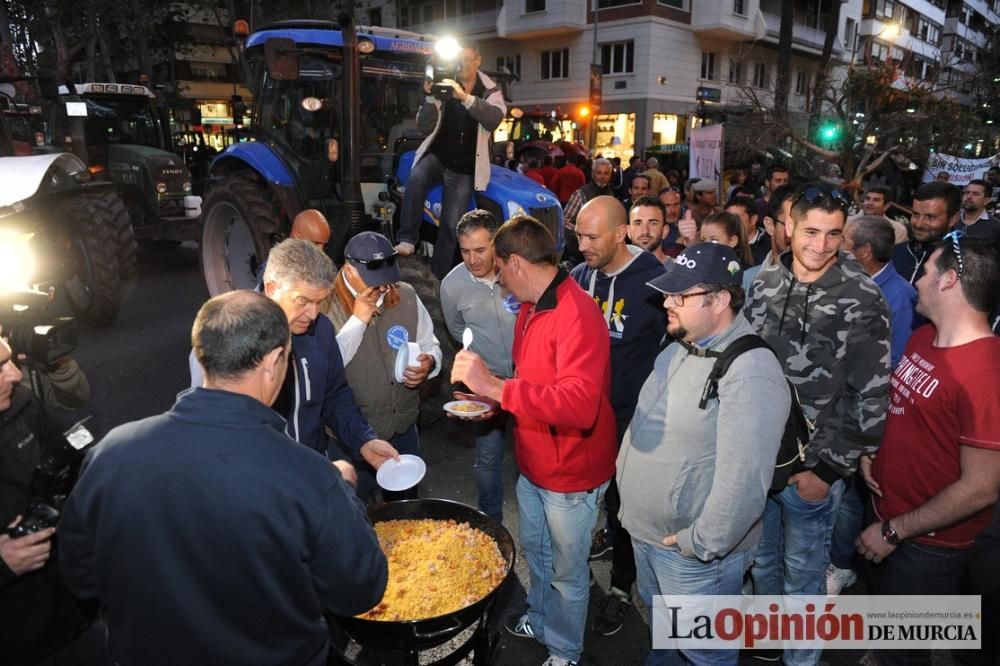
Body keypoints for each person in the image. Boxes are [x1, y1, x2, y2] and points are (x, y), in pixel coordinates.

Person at [59, 291, 389, 666]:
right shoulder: (307, 476)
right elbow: (360, 590)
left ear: (202, 356)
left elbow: (80, 576)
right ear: (275, 360)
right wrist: (344, 491)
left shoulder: (111, 454)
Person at [451, 216, 617, 666]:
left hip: (571, 473)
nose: (499, 281)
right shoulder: (530, 306)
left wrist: (498, 390)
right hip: (535, 460)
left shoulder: (577, 313)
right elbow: (533, 383)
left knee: (567, 572)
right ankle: (544, 622)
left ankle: (565, 650)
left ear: (518, 263)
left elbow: (580, 406)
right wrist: (496, 401)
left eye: (500, 270)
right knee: (538, 555)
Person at [618, 243, 790, 666]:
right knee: (667, 639)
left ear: (721, 301)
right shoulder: (681, 344)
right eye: (668, 294)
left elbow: (745, 483)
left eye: (681, 296)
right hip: (649, 535)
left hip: (691, 556)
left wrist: (700, 544)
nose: (667, 303)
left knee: (704, 653)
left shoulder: (750, 370)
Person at [745, 184, 891, 666]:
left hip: (814, 469)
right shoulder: (763, 283)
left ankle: (801, 659)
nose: (821, 245)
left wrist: (830, 471)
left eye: (833, 234)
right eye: (810, 231)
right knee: (762, 562)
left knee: (802, 576)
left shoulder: (863, 295)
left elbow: (871, 392)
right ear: (789, 227)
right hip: (759, 459)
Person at [858, 236, 1000, 666]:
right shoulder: (924, 338)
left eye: (926, 271)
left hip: (926, 544)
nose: (916, 280)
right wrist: (871, 451)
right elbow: (905, 413)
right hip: (887, 514)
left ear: (950, 280)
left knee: (903, 652)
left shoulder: (986, 375)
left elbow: (981, 488)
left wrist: (893, 531)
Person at [194, 239, 400, 472]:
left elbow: (335, 395)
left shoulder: (321, 330)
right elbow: (208, 424)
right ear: (272, 289)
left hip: (311, 468)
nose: (313, 314)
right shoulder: (226, 334)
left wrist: (363, 439)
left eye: (320, 302)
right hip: (255, 479)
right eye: (303, 301)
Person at [569, 196, 666, 637]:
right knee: (576, 497)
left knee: (622, 507)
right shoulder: (579, 276)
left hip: (630, 417)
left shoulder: (655, 282)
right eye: (578, 235)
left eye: (592, 237)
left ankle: (623, 587)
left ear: (620, 233)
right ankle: (574, 577)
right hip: (583, 415)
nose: (583, 244)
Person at [0, 335, 103, 666]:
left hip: (75, 608)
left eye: (10, 360)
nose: (15, 374)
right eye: (0, 368)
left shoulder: (22, 403)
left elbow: (74, 451)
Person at [326, 232, 442, 501]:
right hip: (352, 439)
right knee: (357, 515)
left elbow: (430, 344)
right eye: (374, 280)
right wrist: (357, 321)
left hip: (403, 429)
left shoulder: (406, 295)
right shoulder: (323, 305)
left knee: (405, 514)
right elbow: (326, 368)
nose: (383, 288)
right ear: (349, 270)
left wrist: (430, 362)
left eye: (387, 279)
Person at [393, 42, 506, 279]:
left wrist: (464, 97)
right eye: (459, 59)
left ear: (478, 60)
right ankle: (407, 239)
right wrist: (428, 97)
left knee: (450, 226)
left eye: (467, 58)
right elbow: (425, 127)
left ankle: (440, 278)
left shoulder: (489, 89)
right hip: (439, 157)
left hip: (464, 168)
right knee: (416, 177)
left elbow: (494, 119)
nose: (462, 63)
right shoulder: (443, 83)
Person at [440, 210, 517, 521]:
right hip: (486, 386)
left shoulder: (517, 272)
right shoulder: (451, 286)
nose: (472, 259)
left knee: (535, 457)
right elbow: (457, 330)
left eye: (480, 250)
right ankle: (491, 522)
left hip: (530, 381)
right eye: (465, 250)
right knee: (487, 458)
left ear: (496, 243)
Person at [843, 215, 917, 368]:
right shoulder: (848, 279)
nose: (837, 245)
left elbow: (896, 359)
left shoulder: (901, 298)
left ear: (864, 251)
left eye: (844, 240)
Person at [892, 182, 960, 286]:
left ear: (953, 219)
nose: (919, 224)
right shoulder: (895, 252)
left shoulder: (962, 263)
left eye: (930, 217)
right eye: (915, 214)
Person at [562, 157, 615, 266]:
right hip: (582, 255)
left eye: (606, 173)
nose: (603, 177)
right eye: (599, 173)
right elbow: (564, 221)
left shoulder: (610, 192)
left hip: (603, 252)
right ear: (593, 174)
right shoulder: (581, 194)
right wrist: (583, 233)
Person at [726, 195, 770, 265]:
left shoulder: (769, 246)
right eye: (727, 218)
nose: (731, 222)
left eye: (736, 218)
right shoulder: (723, 244)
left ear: (753, 219)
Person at [628, 195, 671, 264]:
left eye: (653, 223)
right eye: (638, 224)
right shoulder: (615, 272)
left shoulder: (679, 271)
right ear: (628, 231)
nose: (645, 231)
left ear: (665, 231)